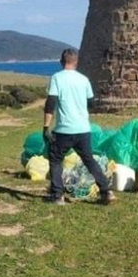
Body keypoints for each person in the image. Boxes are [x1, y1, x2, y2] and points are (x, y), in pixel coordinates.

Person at [43, 48, 112, 205]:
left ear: (61, 61)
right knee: (89, 160)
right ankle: (106, 191)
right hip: (83, 128)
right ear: (76, 62)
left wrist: (46, 127)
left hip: (64, 129)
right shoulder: (84, 79)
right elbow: (91, 103)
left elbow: (51, 103)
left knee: (55, 160)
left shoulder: (57, 78)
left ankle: (57, 195)